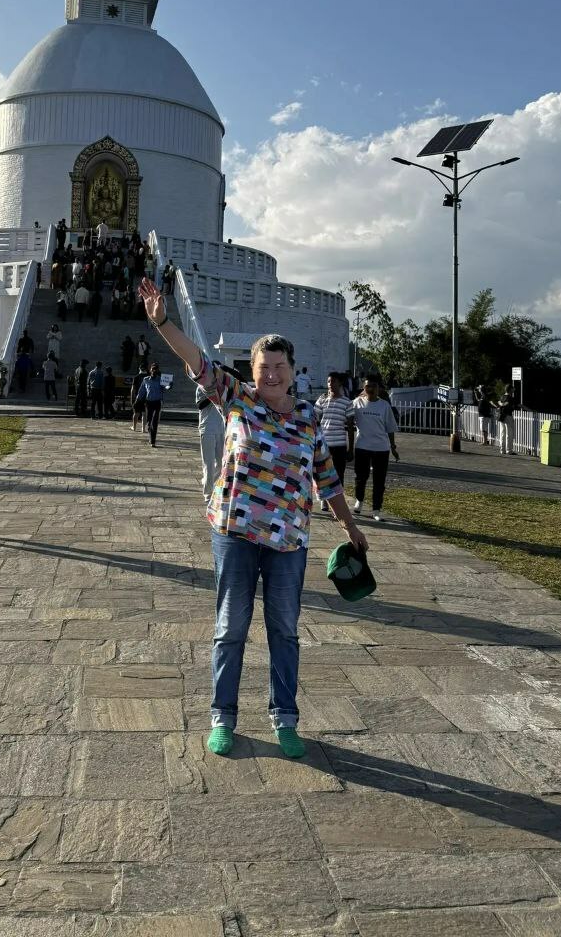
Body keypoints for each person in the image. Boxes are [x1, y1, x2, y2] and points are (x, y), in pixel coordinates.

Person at [138, 276, 367, 760]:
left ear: (292, 369)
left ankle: (285, 718)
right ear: (252, 368)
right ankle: (223, 715)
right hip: (236, 533)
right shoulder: (236, 398)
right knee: (230, 627)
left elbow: (326, 480)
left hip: (288, 541)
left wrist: (349, 525)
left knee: (284, 628)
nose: (271, 375)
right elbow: (195, 358)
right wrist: (161, 320)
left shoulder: (308, 420)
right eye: (264, 367)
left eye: (279, 368)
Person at [351, 376, 399, 522]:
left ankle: (376, 510)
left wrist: (393, 447)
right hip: (362, 446)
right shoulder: (356, 403)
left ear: (379, 389)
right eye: (367, 387)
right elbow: (344, 415)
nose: (370, 390)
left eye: (373, 387)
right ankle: (359, 500)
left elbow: (390, 429)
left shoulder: (384, 406)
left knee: (379, 481)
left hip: (381, 448)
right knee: (361, 477)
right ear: (363, 389)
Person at [314, 373, 355, 498]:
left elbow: (350, 428)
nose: (330, 384)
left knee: (338, 474)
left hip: (339, 445)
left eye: (333, 381)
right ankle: (324, 500)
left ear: (340, 383)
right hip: (323, 445)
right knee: (322, 473)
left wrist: (350, 449)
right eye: (328, 382)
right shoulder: (322, 400)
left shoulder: (347, 402)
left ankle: (338, 500)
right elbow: (314, 421)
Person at [196, 384, 225, 504]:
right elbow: (200, 405)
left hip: (222, 428)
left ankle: (211, 483)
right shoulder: (201, 387)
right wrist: (212, 394)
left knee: (222, 462)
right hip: (207, 428)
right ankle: (208, 494)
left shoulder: (223, 387)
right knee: (208, 463)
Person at [135, 362, 165, 446]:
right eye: (153, 368)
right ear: (150, 370)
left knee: (154, 422)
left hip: (157, 402)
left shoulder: (161, 379)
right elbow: (142, 391)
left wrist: (169, 385)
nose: (154, 370)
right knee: (149, 421)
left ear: (158, 370)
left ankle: (153, 441)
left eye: (156, 368)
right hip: (148, 403)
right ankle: (150, 431)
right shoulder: (146, 379)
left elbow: (166, 387)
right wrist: (137, 400)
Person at [494, 387, 516, 455]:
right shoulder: (510, 398)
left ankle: (502, 450)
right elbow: (514, 405)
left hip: (501, 416)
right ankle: (509, 450)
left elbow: (499, 403)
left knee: (502, 433)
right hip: (508, 416)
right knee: (509, 434)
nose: (513, 390)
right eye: (512, 389)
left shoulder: (502, 396)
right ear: (510, 390)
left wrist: (501, 404)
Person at [130, 366, 148, 432]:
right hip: (146, 397)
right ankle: (143, 429)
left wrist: (132, 398)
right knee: (144, 413)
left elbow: (133, 389)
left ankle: (134, 427)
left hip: (138, 397)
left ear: (139, 369)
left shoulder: (136, 377)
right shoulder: (148, 377)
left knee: (136, 413)